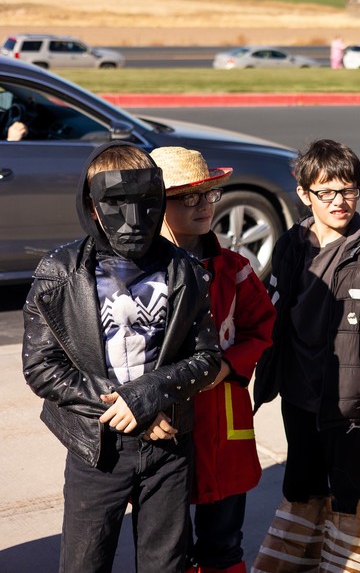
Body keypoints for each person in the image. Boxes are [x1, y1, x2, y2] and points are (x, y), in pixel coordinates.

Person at [21, 141, 222, 573]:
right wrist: (127, 405)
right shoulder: (61, 274)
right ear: (92, 207)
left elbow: (206, 357)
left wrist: (151, 393)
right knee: (85, 562)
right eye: (116, 204)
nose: (133, 222)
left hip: (167, 448)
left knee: (164, 563)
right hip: (96, 449)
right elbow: (42, 367)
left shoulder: (185, 270)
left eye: (147, 204)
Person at [253, 139, 360, 534]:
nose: (339, 201)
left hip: (346, 399)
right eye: (326, 192)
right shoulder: (291, 245)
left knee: (351, 491)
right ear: (306, 195)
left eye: (348, 190)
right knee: (301, 484)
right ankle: (300, 556)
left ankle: (349, 557)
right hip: (297, 390)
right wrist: (270, 371)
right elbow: (269, 310)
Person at [150, 147, 276, 573]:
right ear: (154, 203)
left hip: (222, 418)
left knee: (223, 541)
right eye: (188, 197)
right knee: (167, 545)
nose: (204, 205)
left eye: (209, 195)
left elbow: (262, 327)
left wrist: (227, 366)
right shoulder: (135, 274)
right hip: (163, 425)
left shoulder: (235, 268)